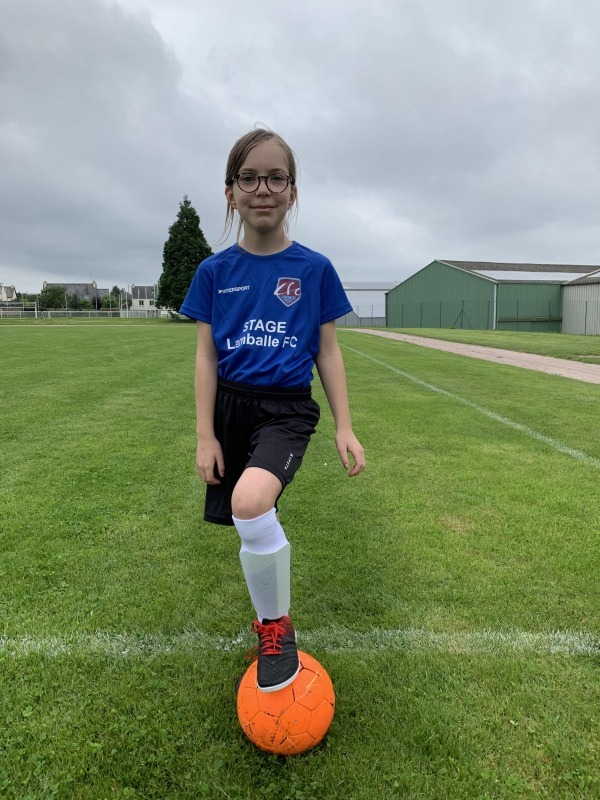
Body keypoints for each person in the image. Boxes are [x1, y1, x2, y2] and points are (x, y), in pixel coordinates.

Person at [180, 128, 365, 693]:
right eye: (249, 178)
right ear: (231, 192)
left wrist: (345, 426)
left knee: (251, 501)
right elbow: (206, 357)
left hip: (286, 409)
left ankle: (276, 628)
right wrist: (206, 435)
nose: (263, 189)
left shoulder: (315, 269)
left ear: (293, 190)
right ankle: (268, 613)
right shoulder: (214, 273)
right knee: (246, 515)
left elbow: (328, 351)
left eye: (276, 177)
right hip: (231, 404)